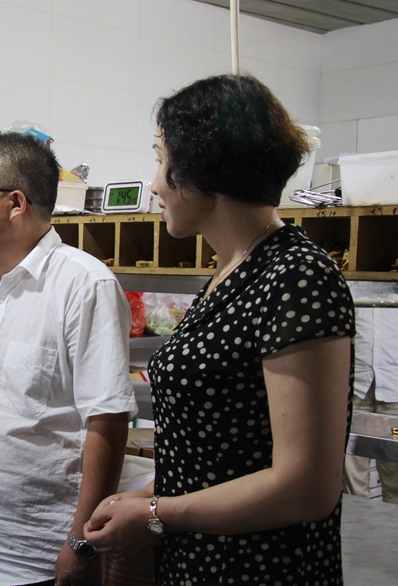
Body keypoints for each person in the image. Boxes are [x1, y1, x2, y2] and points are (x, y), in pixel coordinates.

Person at [83, 74, 356, 585]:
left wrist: (156, 514)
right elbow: (224, 453)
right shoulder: (229, 272)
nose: (156, 184)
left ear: (203, 169)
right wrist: (145, 498)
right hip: (196, 561)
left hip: (258, 569)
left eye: (161, 160)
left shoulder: (296, 276)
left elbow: (306, 486)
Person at [0, 132, 137, 585]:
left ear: (15, 203)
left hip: (33, 554)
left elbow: (108, 420)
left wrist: (81, 540)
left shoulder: (83, 285)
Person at [344, 307, 398, 503]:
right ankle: (357, 519)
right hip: (355, 386)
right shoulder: (352, 288)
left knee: (395, 471)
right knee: (352, 471)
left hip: (394, 390)